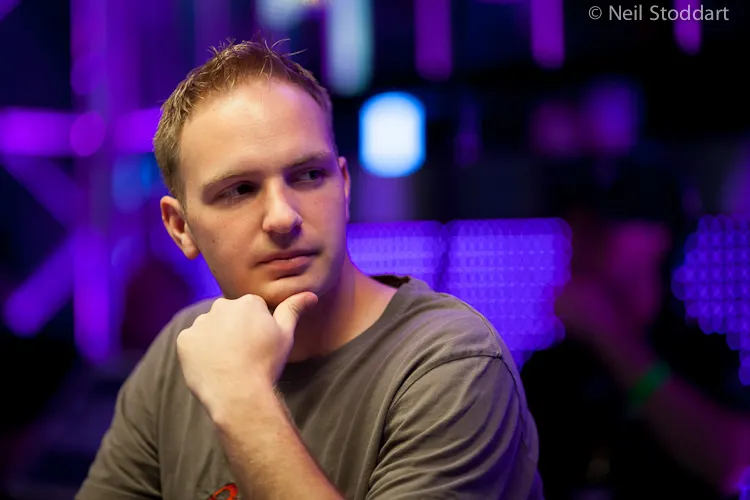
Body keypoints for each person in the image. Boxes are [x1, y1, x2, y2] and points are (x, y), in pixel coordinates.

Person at [76, 38, 543, 500]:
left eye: (308, 175)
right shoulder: (181, 352)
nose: (283, 217)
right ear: (181, 228)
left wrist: (242, 398)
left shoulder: (452, 362)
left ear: (344, 186)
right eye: (240, 190)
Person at [521, 160, 750, 499]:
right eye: (575, 226)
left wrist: (610, 336)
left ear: (659, 236)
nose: (581, 243)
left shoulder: (704, 355)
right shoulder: (549, 370)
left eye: (602, 227)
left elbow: (729, 463)